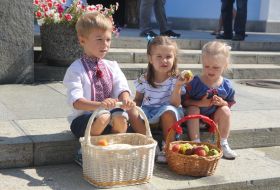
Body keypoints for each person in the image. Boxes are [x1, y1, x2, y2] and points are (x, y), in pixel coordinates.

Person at [63, 12, 145, 166]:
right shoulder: (76, 69)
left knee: (121, 116)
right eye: (99, 39)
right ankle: (85, 151)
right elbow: (76, 102)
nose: (105, 44)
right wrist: (100, 105)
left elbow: (121, 86)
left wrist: (125, 98)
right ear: (82, 40)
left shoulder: (111, 65)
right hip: (84, 122)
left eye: (108, 39)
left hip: (110, 119)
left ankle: (112, 149)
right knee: (103, 116)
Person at [134, 36, 190, 163]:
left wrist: (177, 87)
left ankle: (167, 147)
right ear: (150, 58)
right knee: (132, 111)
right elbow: (138, 99)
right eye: (159, 56)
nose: (164, 60)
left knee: (168, 111)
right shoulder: (143, 79)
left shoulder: (176, 79)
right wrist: (133, 107)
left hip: (169, 112)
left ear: (174, 58)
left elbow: (175, 104)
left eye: (168, 57)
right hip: (149, 111)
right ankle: (151, 144)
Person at [182, 41, 237, 159]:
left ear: (225, 65)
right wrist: (200, 103)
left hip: (213, 120)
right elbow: (184, 102)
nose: (210, 70)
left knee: (225, 110)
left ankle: (223, 143)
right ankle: (196, 143)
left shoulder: (227, 85)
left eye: (216, 67)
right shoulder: (195, 82)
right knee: (192, 109)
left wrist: (223, 103)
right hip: (194, 119)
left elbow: (229, 102)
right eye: (206, 66)